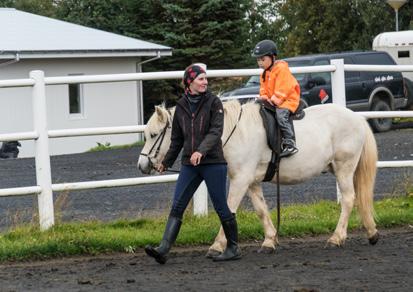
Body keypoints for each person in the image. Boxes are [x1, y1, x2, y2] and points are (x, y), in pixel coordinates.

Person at [144, 63, 241, 264]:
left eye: (205, 79)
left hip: (213, 162)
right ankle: (163, 249)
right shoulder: (181, 106)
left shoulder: (214, 103)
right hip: (190, 164)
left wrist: (201, 151)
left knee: (221, 207)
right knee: (178, 205)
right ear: (190, 83)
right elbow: (177, 139)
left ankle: (233, 248)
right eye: (201, 79)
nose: (205, 82)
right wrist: (166, 161)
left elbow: (215, 132)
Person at [252, 40, 301, 157]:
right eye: (258, 60)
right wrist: (263, 98)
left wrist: (274, 100)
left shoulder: (281, 69)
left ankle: (290, 142)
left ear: (272, 57)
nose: (260, 63)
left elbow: (283, 88)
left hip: (287, 100)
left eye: (262, 59)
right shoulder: (264, 73)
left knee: (281, 116)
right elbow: (263, 89)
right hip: (275, 100)